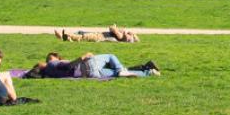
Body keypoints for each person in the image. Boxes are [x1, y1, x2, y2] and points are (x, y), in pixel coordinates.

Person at [30, 52, 159, 78]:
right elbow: (68, 66)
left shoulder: (50, 74)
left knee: (116, 74)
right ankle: (121, 70)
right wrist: (83, 56)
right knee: (110, 56)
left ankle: (149, 72)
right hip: (87, 66)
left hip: (90, 74)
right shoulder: (51, 64)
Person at [55, 25, 140, 43]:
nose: (128, 32)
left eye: (130, 33)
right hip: (100, 35)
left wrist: (116, 28)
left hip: (99, 36)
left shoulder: (122, 36)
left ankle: (65, 36)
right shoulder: (124, 37)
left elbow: (112, 28)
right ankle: (66, 37)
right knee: (82, 35)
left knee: (83, 36)